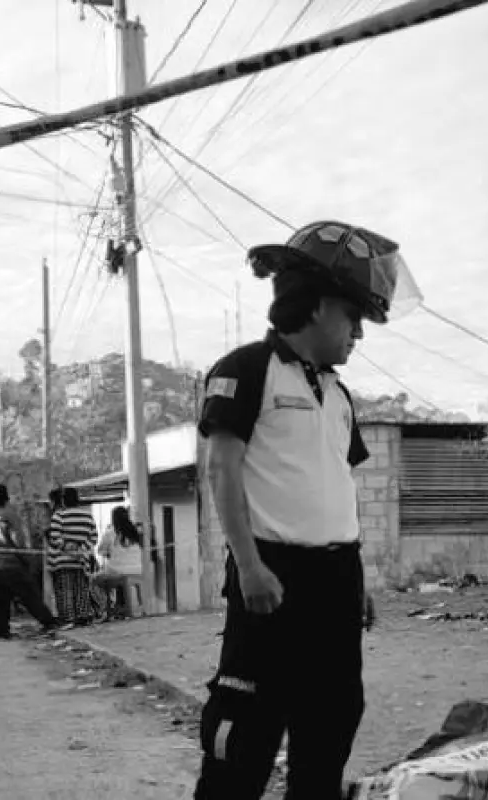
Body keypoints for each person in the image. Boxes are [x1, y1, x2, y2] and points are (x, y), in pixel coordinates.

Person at [193, 221, 413, 800]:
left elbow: (335, 483)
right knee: (244, 730)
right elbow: (222, 469)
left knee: (332, 721)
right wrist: (249, 566)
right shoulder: (245, 370)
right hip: (271, 574)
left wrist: (354, 578)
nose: (358, 334)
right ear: (316, 308)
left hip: (337, 579)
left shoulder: (340, 396)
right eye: (352, 317)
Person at [0, 483, 58, 640]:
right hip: (12, 563)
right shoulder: (10, 514)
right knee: (29, 594)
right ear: (6, 497)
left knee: (0, 601)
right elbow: (18, 540)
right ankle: (49, 622)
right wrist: (27, 558)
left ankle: (0, 631)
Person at [47, 487, 98, 628]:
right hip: (81, 560)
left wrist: (66, 547)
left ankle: (68, 619)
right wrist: (81, 549)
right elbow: (93, 537)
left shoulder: (59, 515)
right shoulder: (88, 516)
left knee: (65, 590)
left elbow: (55, 537)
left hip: (62, 560)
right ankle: (83, 616)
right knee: (81, 588)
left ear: (63, 500)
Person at [95, 506, 144, 617]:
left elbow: (100, 551)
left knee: (95, 579)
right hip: (138, 569)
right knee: (121, 575)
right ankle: (127, 606)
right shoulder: (135, 531)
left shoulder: (110, 532)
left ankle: (108, 608)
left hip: (117, 571)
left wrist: (110, 553)